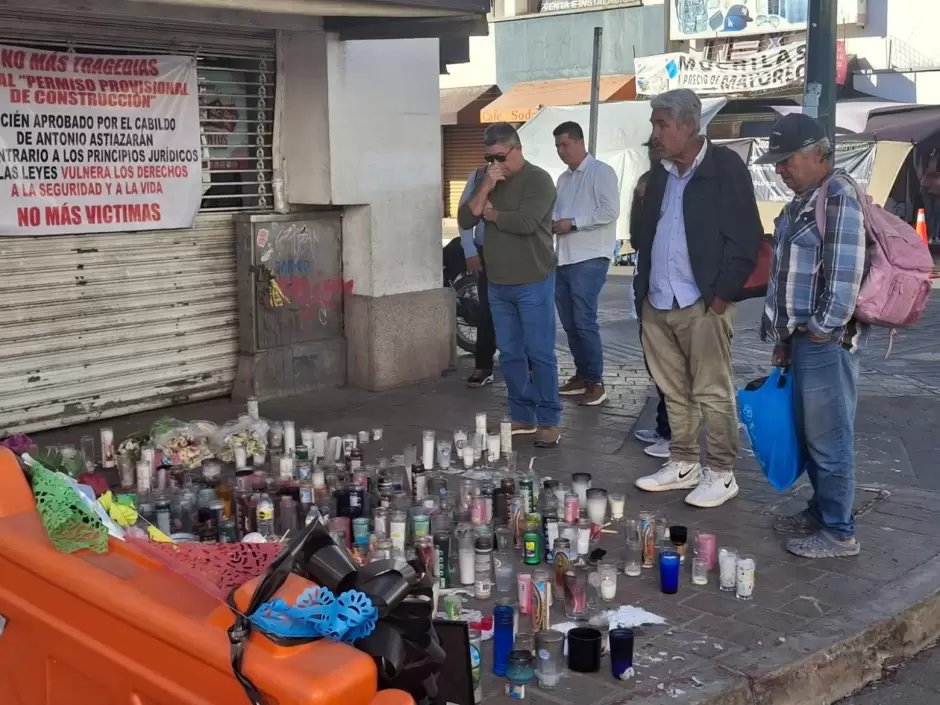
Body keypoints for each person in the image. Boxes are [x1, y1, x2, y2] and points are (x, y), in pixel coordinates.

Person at [632, 89, 762, 508]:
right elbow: (641, 237)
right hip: (659, 300)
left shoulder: (724, 167)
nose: (655, 133)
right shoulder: (656, 175)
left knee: (712, 391)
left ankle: (722, 473)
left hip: (703, 301)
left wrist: (722, 296)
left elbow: (745, 237)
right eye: (654, 124)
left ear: (689, 126)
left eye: (661, 124)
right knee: (674, 391)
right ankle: (683, 462)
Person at [757, 113, 867, 558]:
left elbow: (844, 277)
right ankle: (821, 512)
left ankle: (840, 532)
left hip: (825, 341)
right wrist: (785, 338)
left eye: (788, 160)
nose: (781, 169)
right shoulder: (804, 201)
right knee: (812, 435)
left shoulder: (838, 195)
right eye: (777, 162)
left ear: (818, 153)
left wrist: (819, 330)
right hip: (804, 340)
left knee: (829, 437)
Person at [457, 123, 563, 448]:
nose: (494, 164)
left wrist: (493, 215)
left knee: (540, 353)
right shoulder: (485, 178)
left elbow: (527, 222)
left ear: (516, 149)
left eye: (499, 157)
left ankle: (549, 420)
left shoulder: (540, 179)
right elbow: (464, 219)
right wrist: (485, 188)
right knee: (511, 353)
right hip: (499, 284)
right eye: (488, 157)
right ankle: (523, 416)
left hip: (534, 279)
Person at [551, 121, 621, 406]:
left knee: (583, 320)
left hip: (590, 257)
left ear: (580, 143)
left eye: (565, 144)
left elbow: (610, 210)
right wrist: (555, 225)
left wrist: (575, 223)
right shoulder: (563, 179)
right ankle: (582, 375)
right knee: (569, 322)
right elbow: (558, 215)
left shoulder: (600, 171)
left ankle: (595, 381)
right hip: (564, 257)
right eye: (557, 146)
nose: (561, 151)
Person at [630, 145, 671, 460]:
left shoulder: (652, 183)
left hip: (659, 283)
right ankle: (664, 427)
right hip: (651, 281)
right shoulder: (651, 183)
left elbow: (636, 236)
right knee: (661, 362)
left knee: (666, 365)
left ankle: (670, 433)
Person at [458, 167, 498, 388]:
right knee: (487, 310)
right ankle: (483, 366)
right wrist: (469, 251)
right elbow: (463, 214)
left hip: (515, 254)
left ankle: (529, 366)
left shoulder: (528, 176)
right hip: (484, 251)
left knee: (520, 311)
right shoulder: (477, 176)